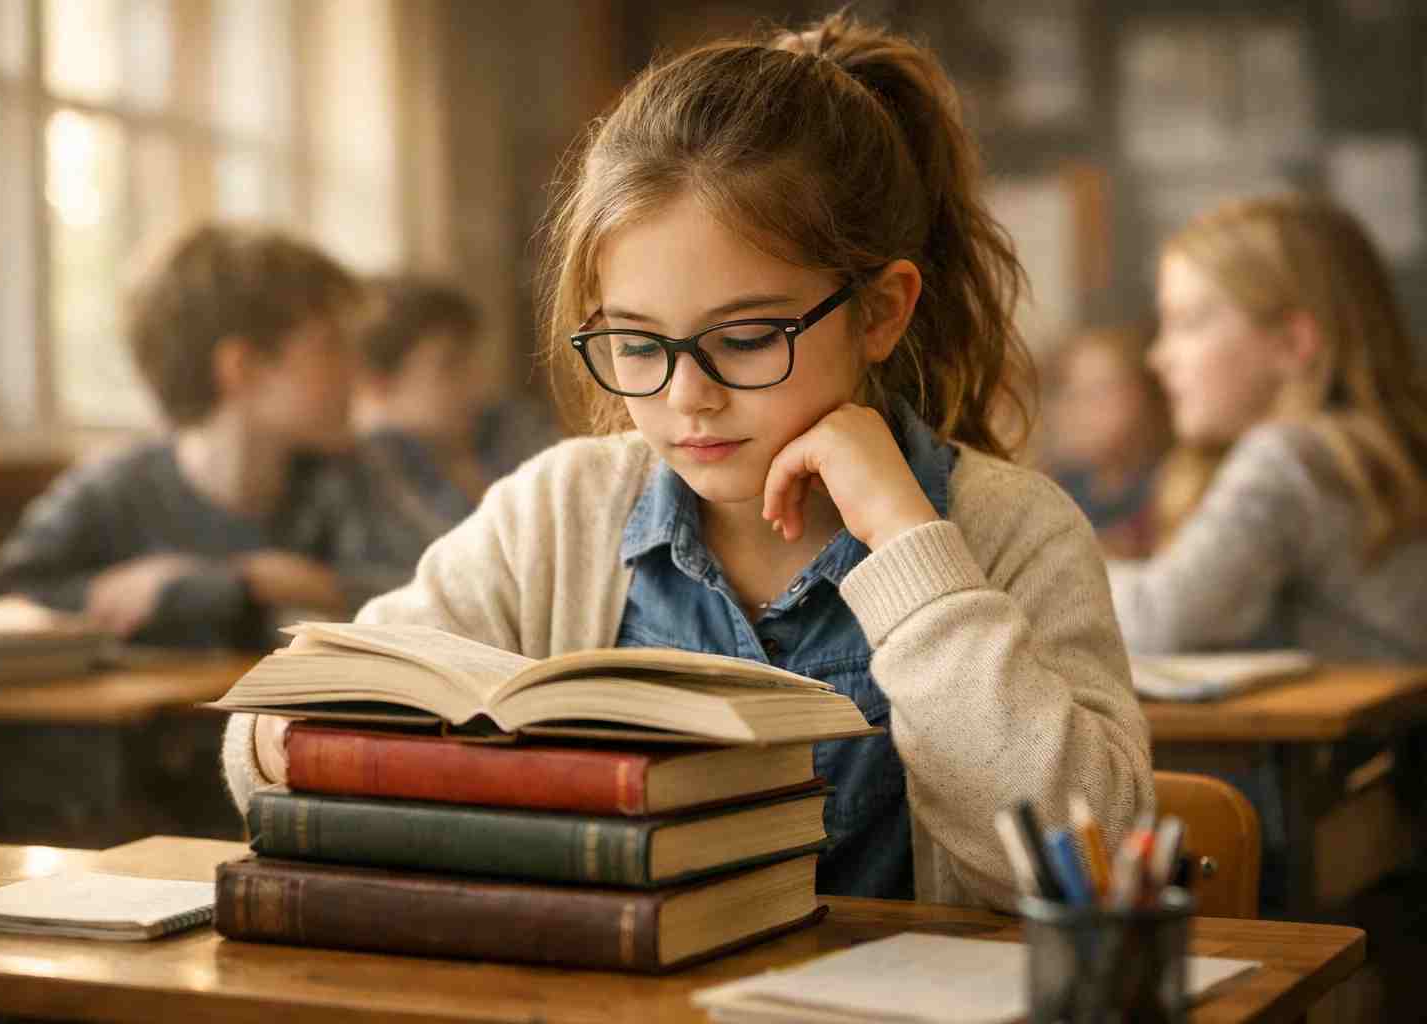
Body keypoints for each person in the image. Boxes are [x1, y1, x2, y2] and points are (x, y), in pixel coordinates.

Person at [222, 12, 1152, 908]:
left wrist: (909, 544)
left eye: (745, 338)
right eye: (636, 343)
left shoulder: (1012, 529)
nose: (685, 396)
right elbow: (270, 748)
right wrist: (322, 739)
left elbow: (1091, 865)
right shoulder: (558, 515)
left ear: (880, 311)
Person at [0, 222, 411, 650]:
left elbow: (436, 598)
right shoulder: (112, 493)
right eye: (330, 346)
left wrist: (255, 577)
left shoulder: (351, 479)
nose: (358, 370)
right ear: (243, 368)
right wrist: (168, 588)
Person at [1108, 195, 1427, 660]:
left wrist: (1047, 568)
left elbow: (1155, 622)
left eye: (1188, 323)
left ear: (1292, 343)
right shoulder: (1370, 448)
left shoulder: (1291, 456)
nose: (1158, 357)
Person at [350, 274, 562, 553]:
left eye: (473, 359)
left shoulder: (510, 426)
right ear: (382, 384)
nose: (476, 379)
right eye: (449, 365)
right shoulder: (368, 472)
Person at [1044, 324, 1171, 558]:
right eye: (1070, 392)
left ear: (1141, 396)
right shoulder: (1059, 489)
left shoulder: (1167, 488)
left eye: (1099, 391)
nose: (1080, 408)